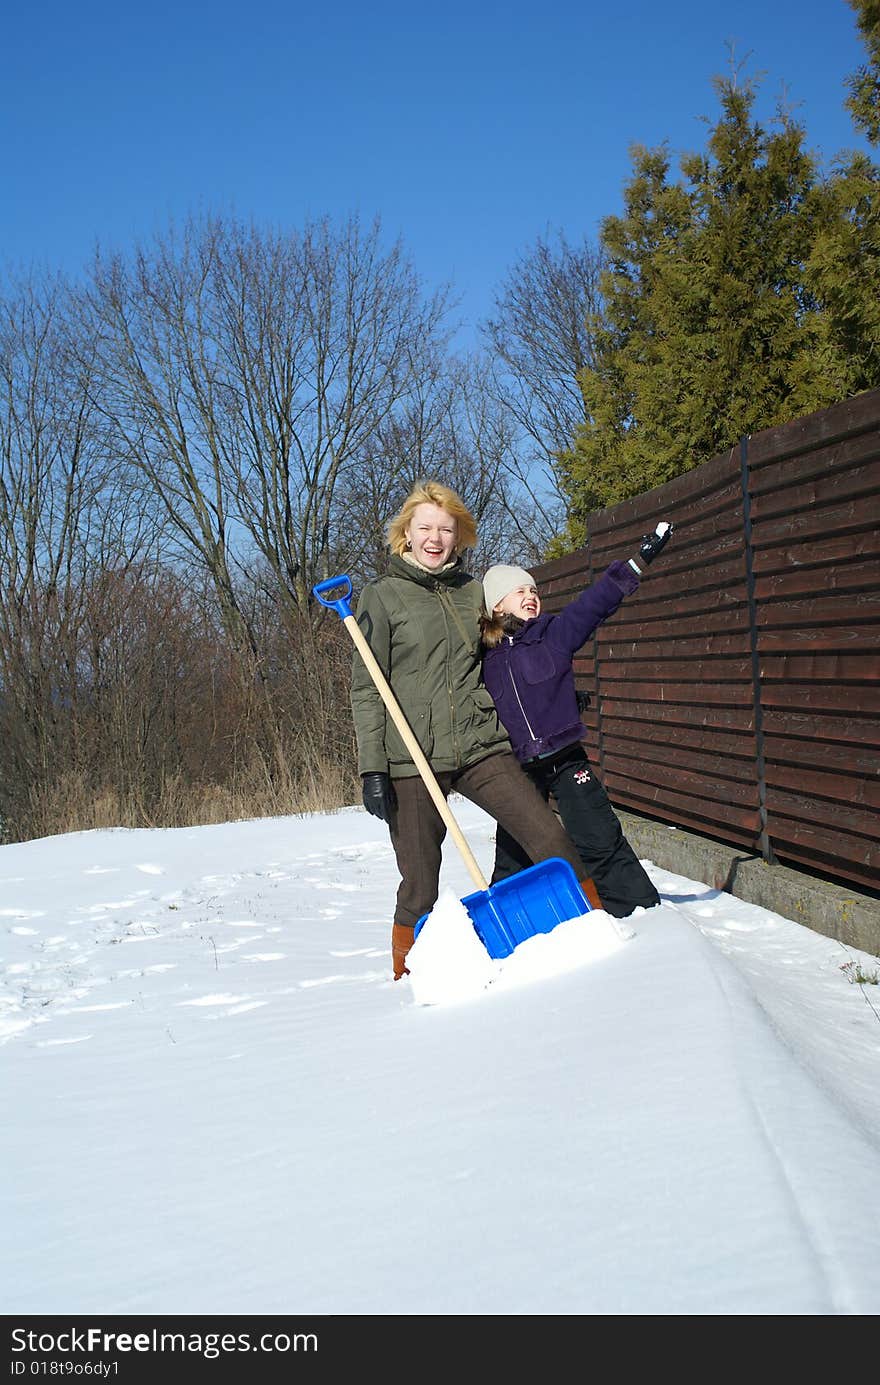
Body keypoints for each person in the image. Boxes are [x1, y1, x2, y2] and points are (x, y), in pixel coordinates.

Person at [350, 480, 601, 981]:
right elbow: (367, 688)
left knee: (547, 835)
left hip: (477, 743)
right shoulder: (382, 597)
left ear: (458, 535)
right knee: (420, 883)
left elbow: (511, 646)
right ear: (406, 534)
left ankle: (592, 925)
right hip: (410, 756)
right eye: (425, 527)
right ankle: (407, 975)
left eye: (446, 528)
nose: (435, 537)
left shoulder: (470, 593)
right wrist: (372, 768)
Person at [479, 523, 674, 919]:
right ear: (496, 605)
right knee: (515, 847)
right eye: (520, 591)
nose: (531, 597)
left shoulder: (553, 634)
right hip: (519, 768)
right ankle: (511, 919)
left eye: (534, 590)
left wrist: (638, 562)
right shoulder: (484, 658)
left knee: (599, 836)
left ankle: (640, 914)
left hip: (565, 757)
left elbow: (595, 603)